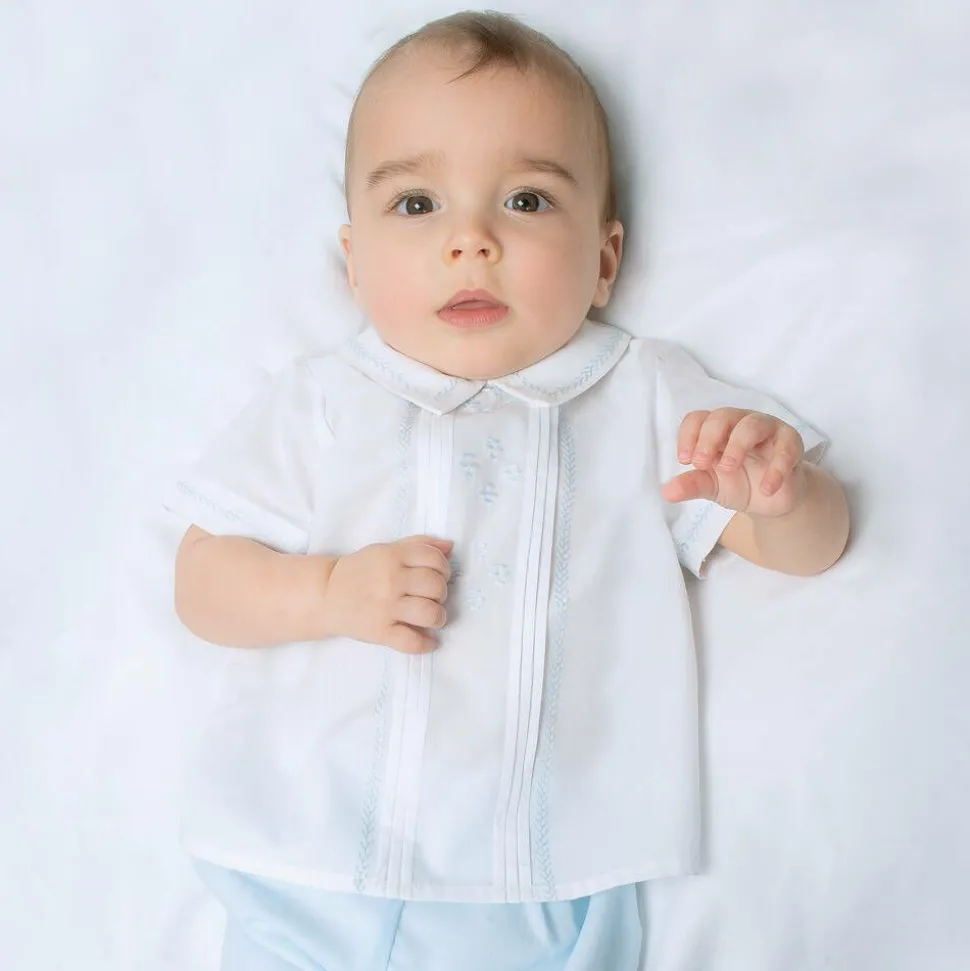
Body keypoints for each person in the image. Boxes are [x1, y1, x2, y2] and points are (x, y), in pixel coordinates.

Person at [168, 11, 850, 971]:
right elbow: (201, 582)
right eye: (417, 204)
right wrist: (327, 591)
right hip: (315, 858)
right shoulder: (326, 399)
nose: (472, 240)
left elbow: (812, 548)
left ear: (604, 259)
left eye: (526, 200)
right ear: (353, 264)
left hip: (552, 874)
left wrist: (783, 493)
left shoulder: (644, 394)